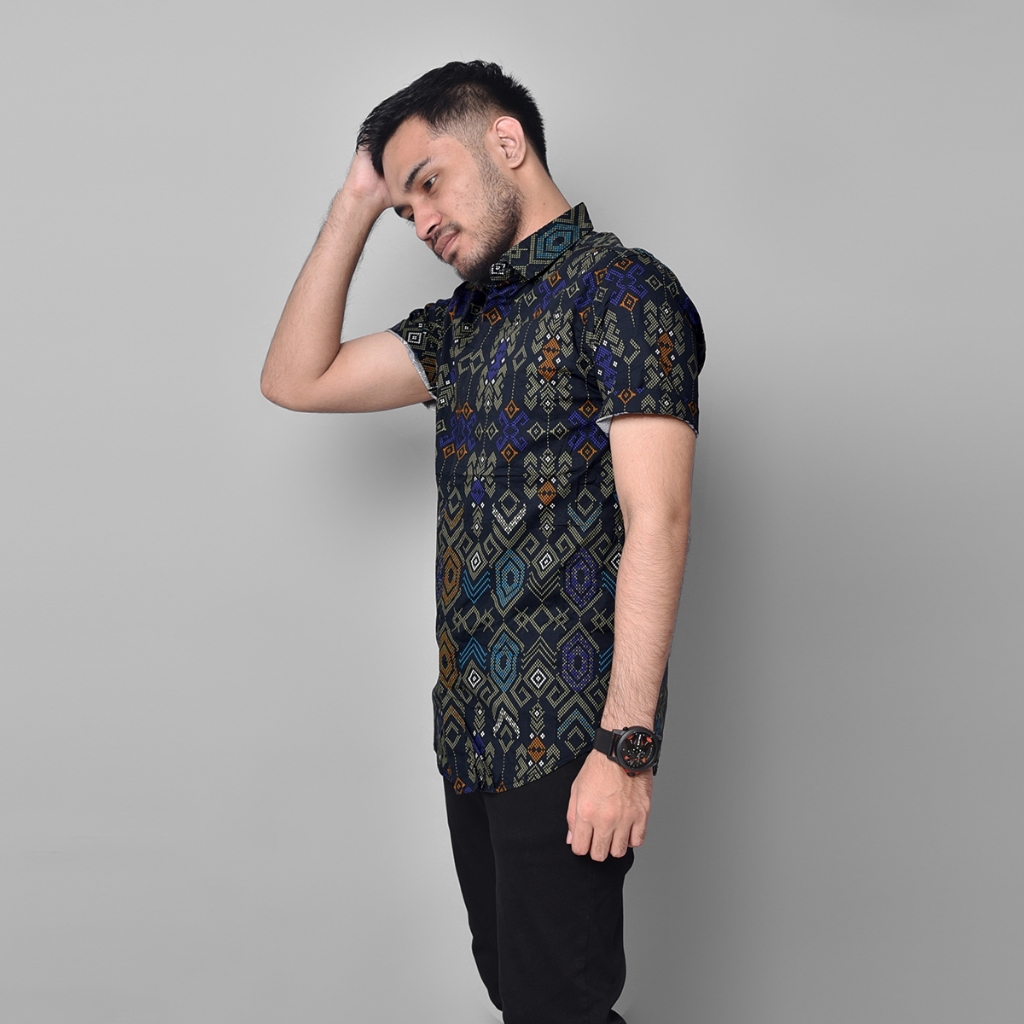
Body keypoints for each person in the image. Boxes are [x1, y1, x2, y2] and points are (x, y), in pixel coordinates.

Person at [261, 60, 705, 1024]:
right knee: (523, 995)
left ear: (507, 142)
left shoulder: (624, 292)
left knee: (557, 1006)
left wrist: (625, 748)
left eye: (429, 183)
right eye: (404, 210)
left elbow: (659, 521)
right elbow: (296, 378)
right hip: (470, 734)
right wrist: (354, 202)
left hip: (570, 737)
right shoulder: (460, 328)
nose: (421, 222)